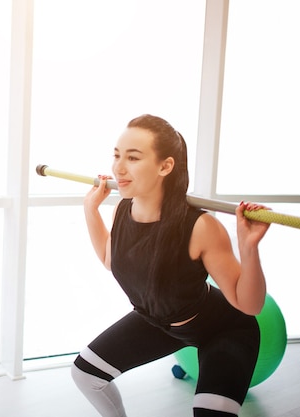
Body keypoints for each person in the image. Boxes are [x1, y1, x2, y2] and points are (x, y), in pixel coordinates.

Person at [72, 114, 270, 417]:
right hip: (159, 322)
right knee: (85, 374)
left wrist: (248, 246)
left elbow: (250, 305)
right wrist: (90, 208)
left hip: (226, 329)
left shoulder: (201, 227)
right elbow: (112, 261)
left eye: (133, 158)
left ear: (165, 166)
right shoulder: (124, 210)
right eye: (116, 155)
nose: (119, 168)